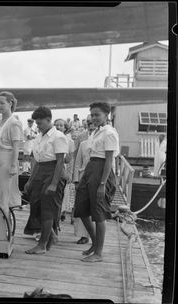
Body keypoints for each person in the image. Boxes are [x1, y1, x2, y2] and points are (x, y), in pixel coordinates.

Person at [73, 102, 119, 262]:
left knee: (99, 213)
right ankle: (94, 243)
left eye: (97, 114)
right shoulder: (95, 133)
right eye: (92, 114)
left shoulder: (109, 133)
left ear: (106, 115)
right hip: (90, 169)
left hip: (101, 172)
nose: (94, 117)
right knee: (81, 208)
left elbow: (108, 161)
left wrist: (102, 184)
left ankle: (98, 253)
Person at [24, 106, 68, 254]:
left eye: (40, 123)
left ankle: (42, 245)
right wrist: (30, 180)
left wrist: (54, 184)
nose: (38, 126)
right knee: (36, 204)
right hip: (40, 171)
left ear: (49, 120)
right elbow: (36, 160)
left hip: (53, 171)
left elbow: (61, 161)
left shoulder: (58, 136)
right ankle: (49, 239)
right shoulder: (39, 136)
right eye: (37, 123)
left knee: (48, 209)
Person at [72, 120, 96, 244]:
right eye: (90, 130)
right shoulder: (83, 144)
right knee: (82, 207)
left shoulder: (102, 144)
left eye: (94, 130)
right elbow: (77, 163)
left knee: (95, 208)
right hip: (83, 178)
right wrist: (76, 180)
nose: (92, 132)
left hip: (96, 179)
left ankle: (95, 236)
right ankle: (83, 235)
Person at [54, 119, 75, 224]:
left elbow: (70, 159)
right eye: (56, 125)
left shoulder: (69, 141)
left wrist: (70, 174)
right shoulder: (51, 138)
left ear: (65, 128)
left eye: (61, 125)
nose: (58, 127)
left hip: (63, 169)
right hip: (51, 169)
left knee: (63, 193)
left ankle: (60, 214)